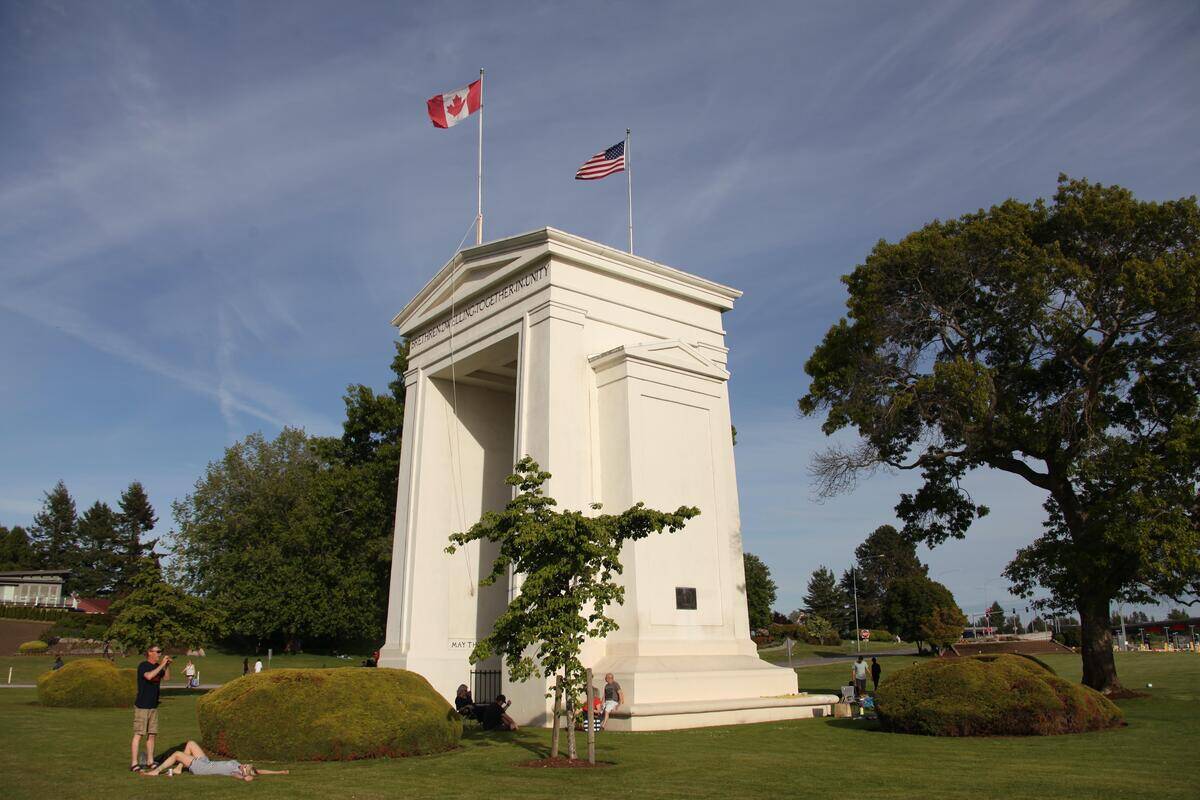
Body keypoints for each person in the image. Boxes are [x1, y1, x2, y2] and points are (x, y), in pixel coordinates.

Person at [140, 740, 289, 781]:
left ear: (243, 771)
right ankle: (179, 768)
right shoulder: (238, 765)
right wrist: (280, 772)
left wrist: (245, 776)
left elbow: (247, 777)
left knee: (178, 753)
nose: (244, 765)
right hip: (206, 761)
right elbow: (259, 771)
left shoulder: (235, 772)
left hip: (202, 768)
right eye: (246, 764)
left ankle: (156, 771)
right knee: (191, 743)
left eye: (245, 767)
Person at [130, 645, 171, 772]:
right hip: (142, 705)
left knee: (152, 734)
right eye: (157, 651)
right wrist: (161, 664)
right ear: (150, 653)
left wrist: (167, 665)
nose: (159, 654)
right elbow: (148, 676)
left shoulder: (157, 666)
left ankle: (150, 761)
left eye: (160, 651)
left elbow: (167, 678)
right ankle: (134, 763)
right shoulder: (143, 665)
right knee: (138, 734)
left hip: (153, 705)